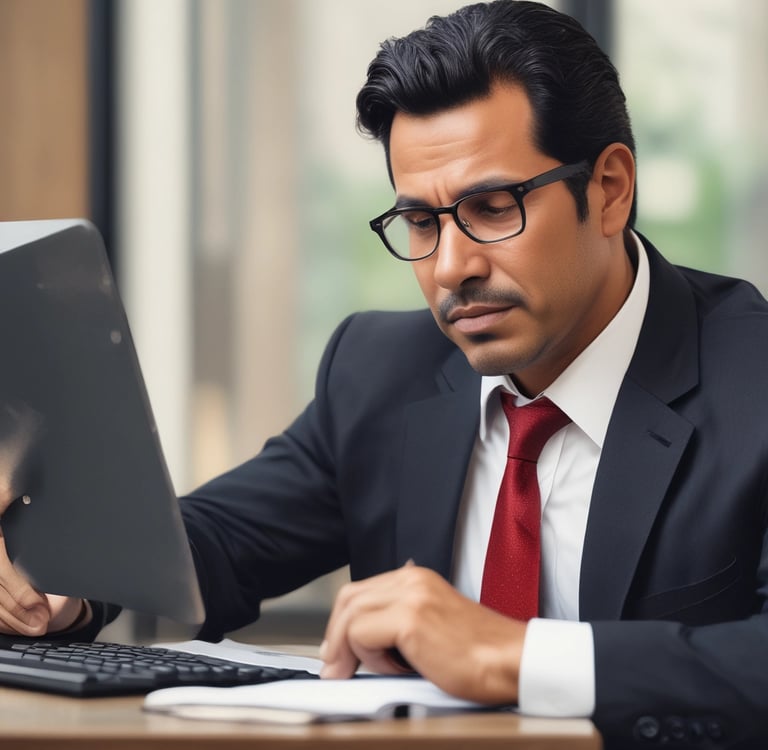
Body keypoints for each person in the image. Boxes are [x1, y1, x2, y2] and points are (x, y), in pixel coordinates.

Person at [1, 1, 767, 746]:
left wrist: (511, 655)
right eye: (422, 223)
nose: (450, 268)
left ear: (609, 190)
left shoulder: (750, 378)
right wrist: (58, 580)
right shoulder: (381, 369)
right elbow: (215, 544)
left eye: (494, 208)